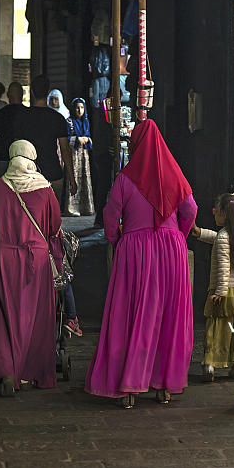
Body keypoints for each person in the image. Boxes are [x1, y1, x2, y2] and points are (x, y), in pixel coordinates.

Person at [85, 119, 197, 408]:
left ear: (134, 145)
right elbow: (191, 209)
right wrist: (177, 236)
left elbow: (111, 216)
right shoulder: (175, 175)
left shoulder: (125, 178)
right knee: (168, 316)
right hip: (171, 250)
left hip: (136, 250)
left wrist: (117, 238)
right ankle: (164, 385)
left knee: (133, 315)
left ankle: (131, 386)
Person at [0, 140, 64, 396]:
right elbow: (54, 226)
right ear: (32, 158)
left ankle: (7, 371)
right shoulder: (45, 189)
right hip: (37, 260)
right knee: (33, 317)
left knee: (0, 315)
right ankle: (29, 372)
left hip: (2, 259)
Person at [191, 193, 234, 381]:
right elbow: (219, 240)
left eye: (215, 211)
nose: (213, 215)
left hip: (224, 290)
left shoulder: (223, 237)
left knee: (216, 328)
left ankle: (210, 365)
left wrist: (220, 292)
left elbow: (223, 266)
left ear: (224, 214)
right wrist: (199, 232)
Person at [12, 75, 77, 200]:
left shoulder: (21, 117)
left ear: (32, 92)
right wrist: (72, 178)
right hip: (53, 173)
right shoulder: (57, 118)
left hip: (28, 175)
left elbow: (16, 149)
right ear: (48, 92)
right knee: (51, 216)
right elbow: (65, 150)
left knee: (30, 216)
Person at [0, 81, 25, 180]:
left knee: (4, 192)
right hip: (25, 160)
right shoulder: (30, 114)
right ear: (22, 95)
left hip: (4, 158)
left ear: (7, 95)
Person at [66, 98, 94, 217]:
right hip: (73, 154)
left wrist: (87, 139)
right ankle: (73, 208)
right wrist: (77, 139)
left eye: (82, 107)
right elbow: (66, 139)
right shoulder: (69, 122)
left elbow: (90, 139)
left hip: (84, 155)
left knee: (84, 178)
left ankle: (86, 207)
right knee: (74, 177)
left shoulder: (86, 122)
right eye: (77, 107)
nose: (79, 110)